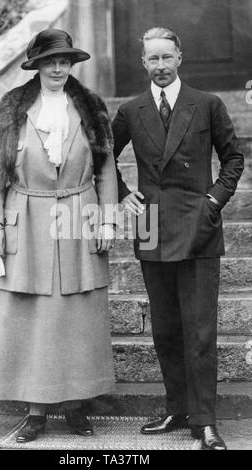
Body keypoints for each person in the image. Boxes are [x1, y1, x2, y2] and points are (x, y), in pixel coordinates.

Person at [0, 28, 118, 443]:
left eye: (64, 61)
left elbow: (106, 167)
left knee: (78, 314)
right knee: (30, 316)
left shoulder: (91, 108)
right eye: (50, 61)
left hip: (80, 214)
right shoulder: (14, 109)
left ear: (72, 64)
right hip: (26, 214)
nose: (58, 68)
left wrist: (108, 219)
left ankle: (77, 406)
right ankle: (35, 411)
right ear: (37, 65)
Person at [112, 27, 244, 450]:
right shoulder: (131, 110)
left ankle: (205, 421)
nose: (161, 66)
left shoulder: (206, 104)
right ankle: (177, 407)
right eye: (153, 59)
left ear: (180, 58)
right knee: (166, 328)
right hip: (152, 226)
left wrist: (213, 200)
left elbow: (233, 157)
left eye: (167, 57)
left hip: (199, 226)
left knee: (200, 331)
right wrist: (120, 193)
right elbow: (102, 156)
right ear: (144, 63)